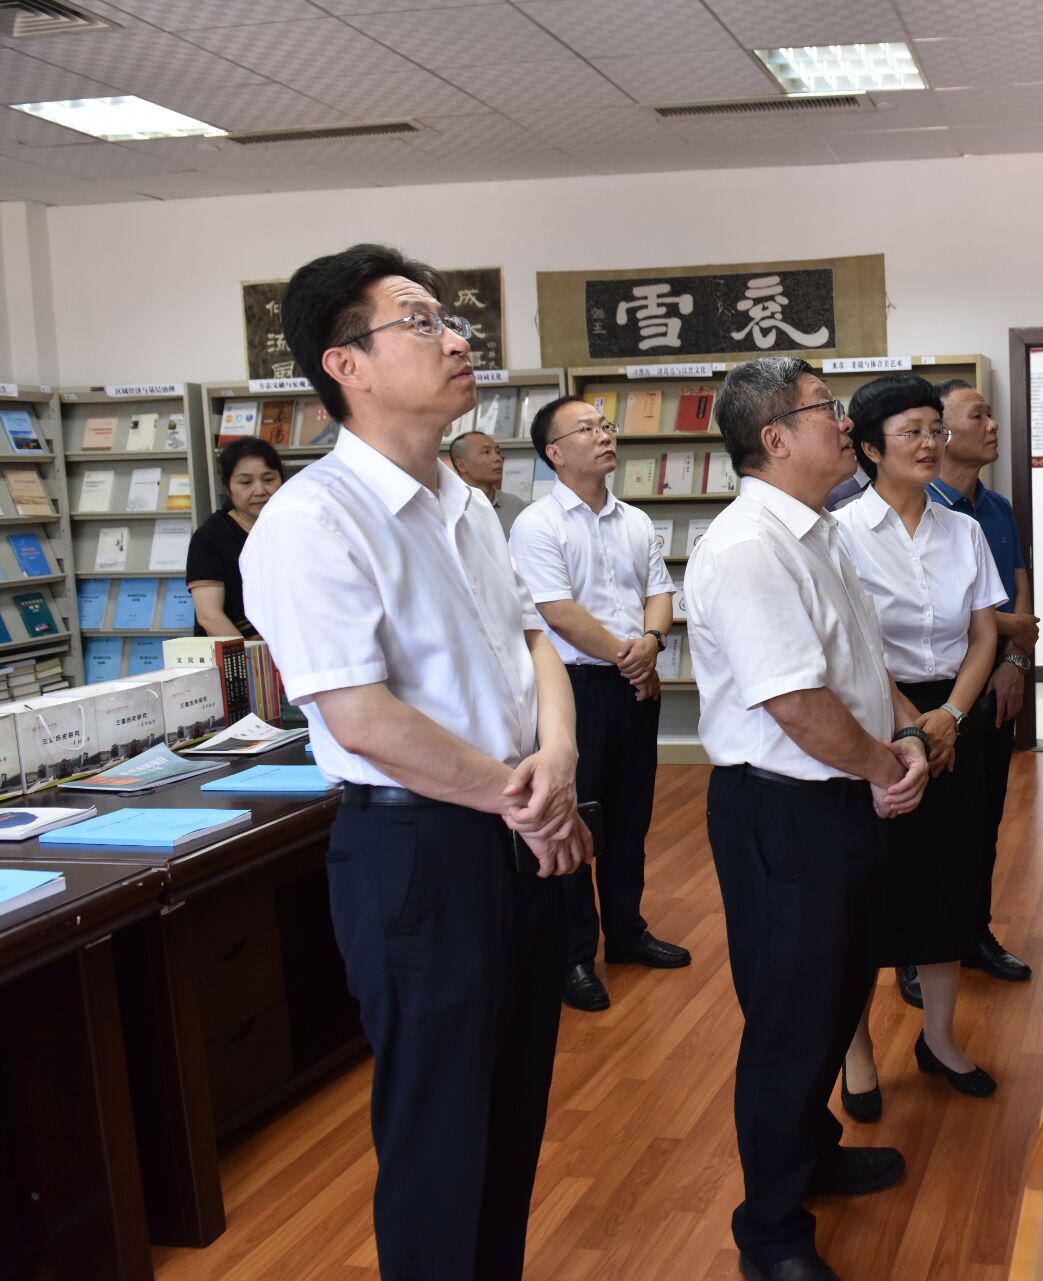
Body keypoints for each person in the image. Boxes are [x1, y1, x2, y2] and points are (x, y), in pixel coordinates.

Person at [242, 243, 592, 1281]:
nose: (454, 340)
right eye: (421, 322)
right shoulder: (310, 520)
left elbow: (534, 641)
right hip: (421, 851)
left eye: (452, 321)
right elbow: (360, 716)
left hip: (519, 825)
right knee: (442, 1139)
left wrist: (559, 757)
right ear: (344, 364)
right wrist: (522, 798)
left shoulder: (467, 502)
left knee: (513, 1115)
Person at [687, 355, 930, 1281]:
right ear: (776, 438)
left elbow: (855, 664)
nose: (844, 422)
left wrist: (902, 735)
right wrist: (883, 768)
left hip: (838, 796)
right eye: (826, 409)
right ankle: (771, 1230)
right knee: (789, 1021)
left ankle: (812, 1153)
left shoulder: (815, 530)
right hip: (786, 809)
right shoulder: (751, 547)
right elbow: (794, 702)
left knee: (832, 995)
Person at [834, 374, 1006, 1124]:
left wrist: (952, 719)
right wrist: (913, 726)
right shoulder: (839, 534)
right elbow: (851, 647)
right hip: (875, 719)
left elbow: (985, 634)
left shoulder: (963, 530)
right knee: (864, 891)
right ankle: (857, 1052)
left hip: (953, 719)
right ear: (871, 448)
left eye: (936, 428)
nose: (931, 442)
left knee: (947, 881)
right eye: (913, 432)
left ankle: (939, 1038)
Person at [509, 396, 690, 1013]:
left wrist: (651, 643)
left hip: (632, 682)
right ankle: (573, 955)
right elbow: (556, 611)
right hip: (573, 688)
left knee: (631, 814)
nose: (604, 435)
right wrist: (628, 655)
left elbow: (660, 592)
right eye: (586, 429)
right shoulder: (537, 524)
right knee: (575, 817)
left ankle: (628, 932)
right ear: (554, 453)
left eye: (606, 425)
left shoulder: (634, 520)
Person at [922, 378, 1038, 995]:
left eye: (991, 415)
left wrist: (1015, 660)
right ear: (941, 433)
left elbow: (1019, 586)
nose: (992, 426)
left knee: (983, 820)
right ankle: (919, 950)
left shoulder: (996, 508)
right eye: (978, 416)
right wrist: (1012, 627)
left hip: (995, 686)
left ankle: (973, 934)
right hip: (936, 694)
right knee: (929, 829)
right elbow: (953, 614)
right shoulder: (919, 509)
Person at [185, 437, 283, 637]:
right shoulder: (209, 538)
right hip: (234, 650)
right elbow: (209, 616)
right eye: (246, 482)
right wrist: (249, 655)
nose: (260, 491)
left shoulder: (292, 526)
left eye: (269, 479)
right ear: (228, 489)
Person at [450, 428, 527, 533]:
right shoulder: (446, 505)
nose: (497, 458)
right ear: (461, 465)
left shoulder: (515, 505)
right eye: (486, 452)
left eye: (498, 452)